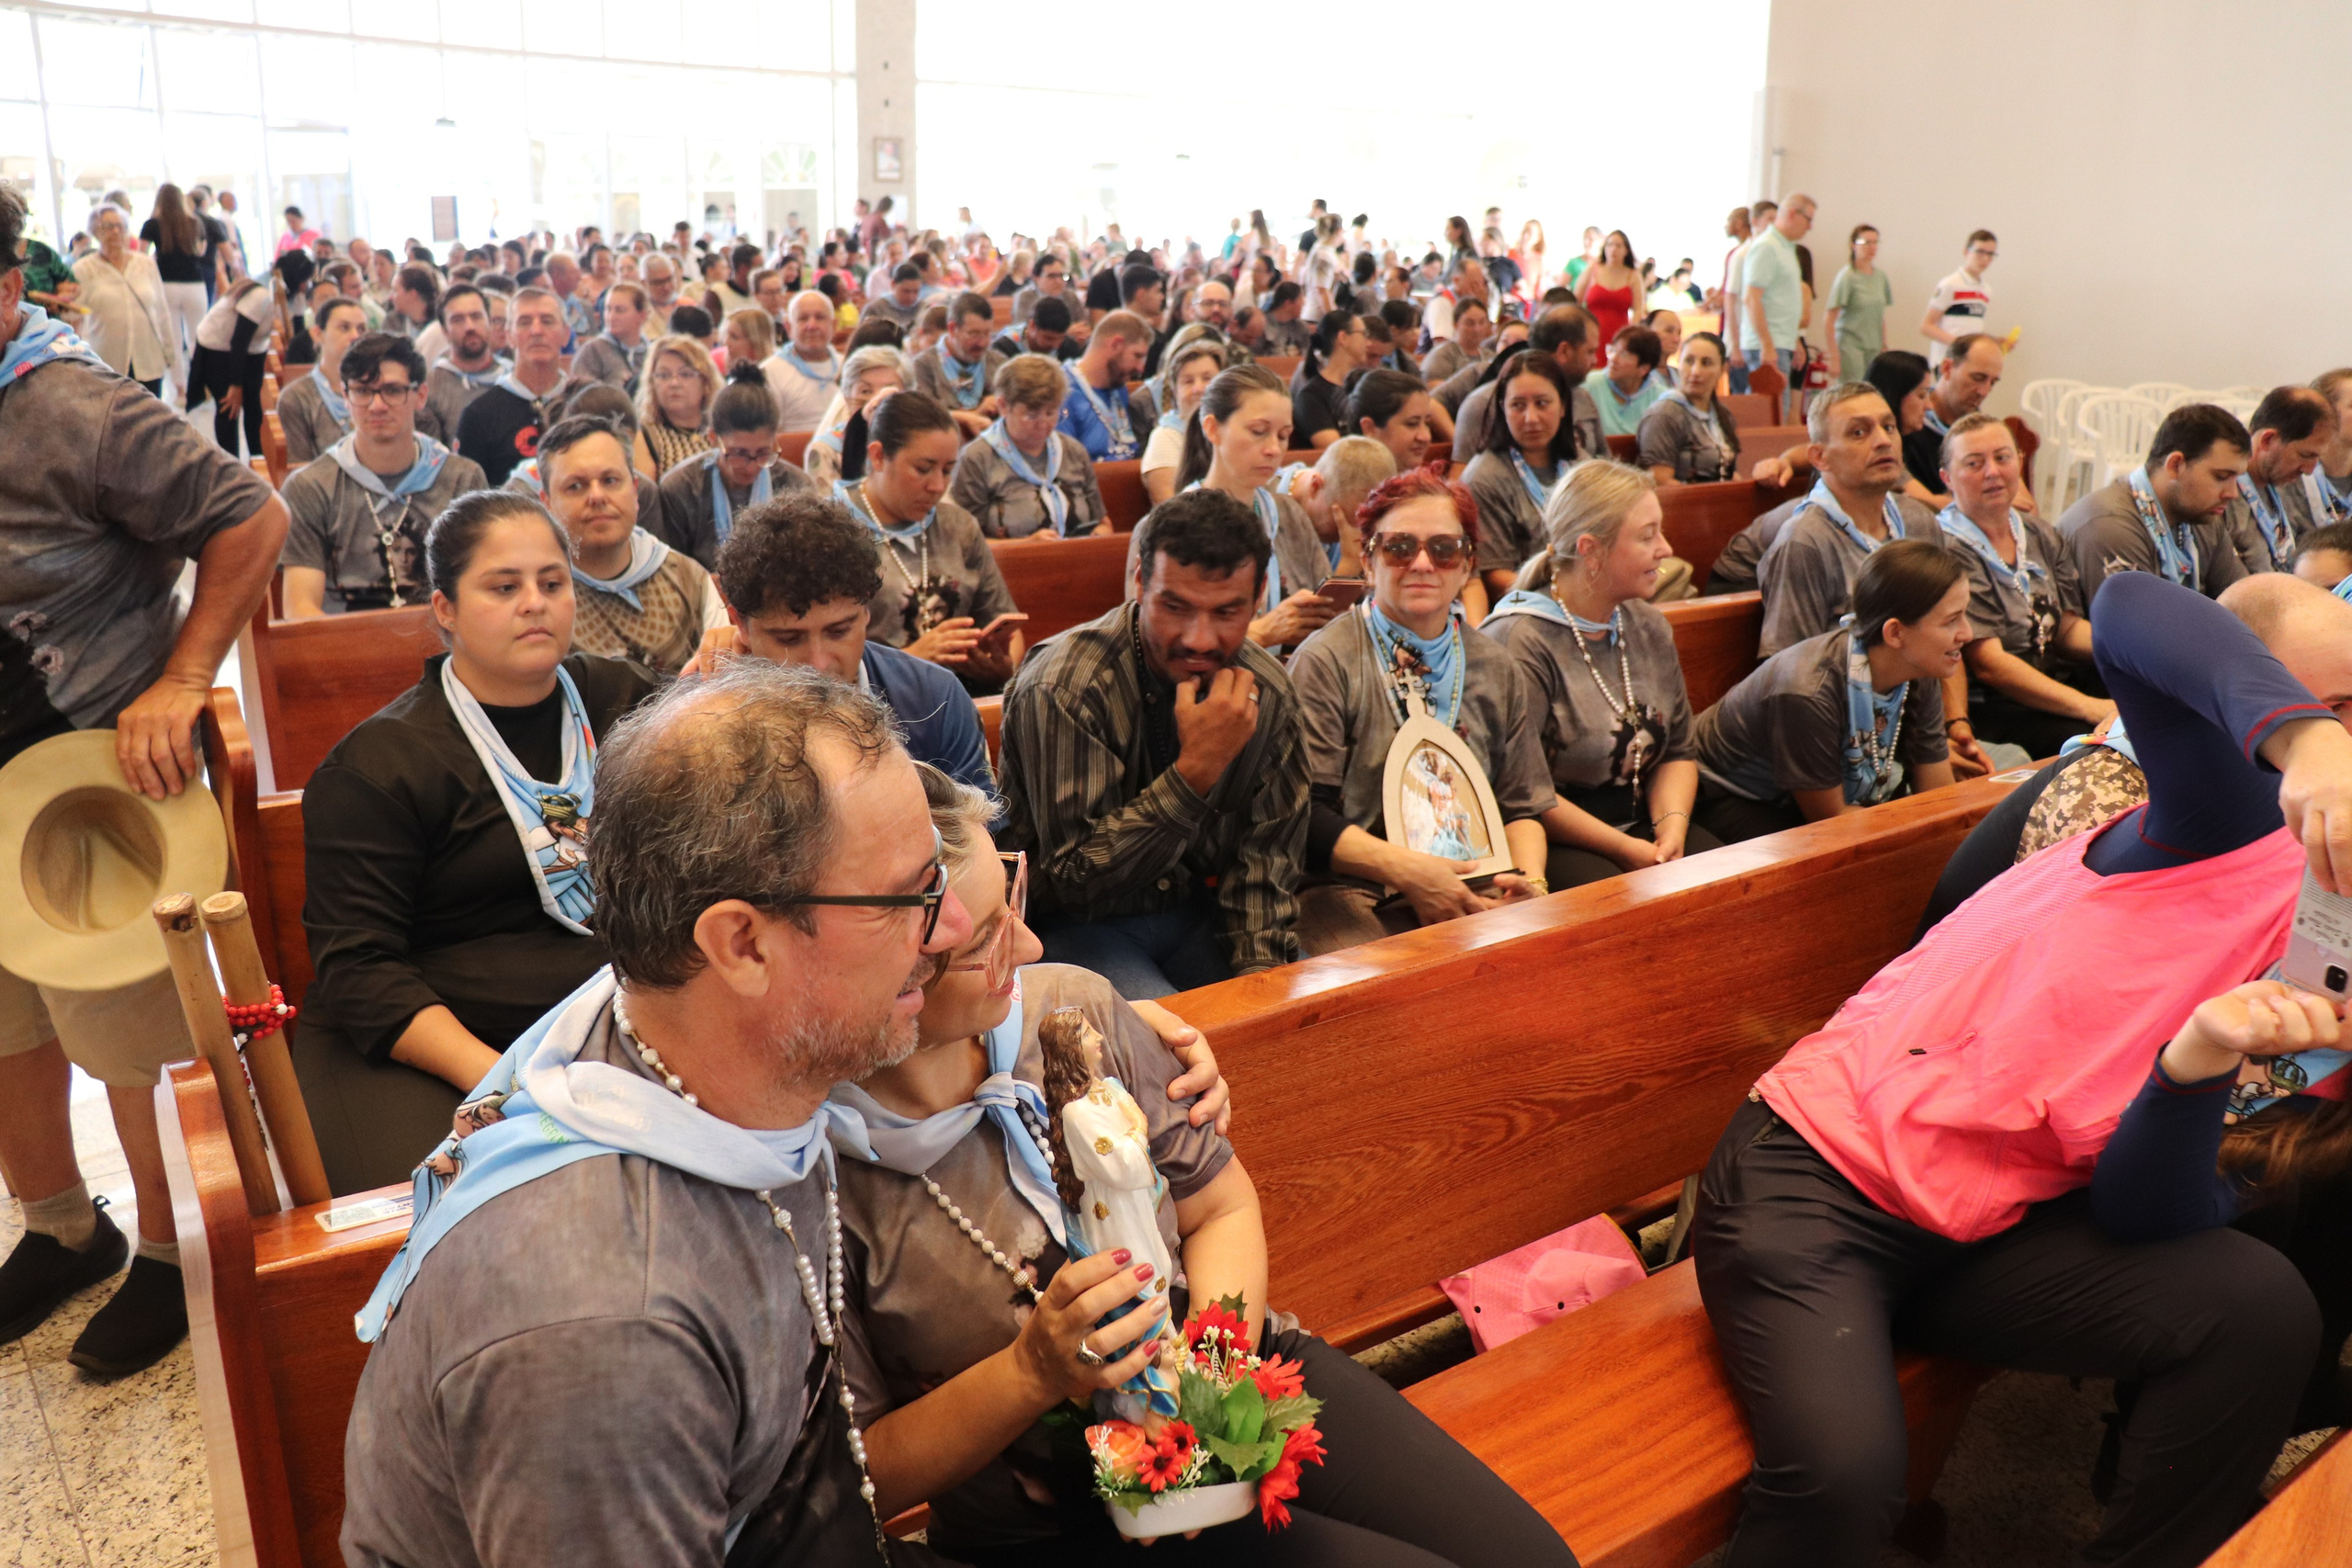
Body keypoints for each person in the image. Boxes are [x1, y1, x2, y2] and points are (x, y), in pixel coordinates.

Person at [1695, 568, 2352, 1568]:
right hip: (1824, 1176)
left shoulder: (2324, 959)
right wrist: (2304, 742)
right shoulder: (2232, 820)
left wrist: (2196, 1061)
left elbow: (2143, 1213)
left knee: (2255, 1307)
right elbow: (2131, 604)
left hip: (1987, 1219)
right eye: (2335, 707)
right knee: (1841, 1485)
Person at [822, 767, 1583, 1568]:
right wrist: (1031, 1373)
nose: (1032, 944)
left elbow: (1219, 1206)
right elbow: (861, 1466)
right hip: (1047, 1510)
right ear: (887, 974)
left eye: (1012, 900)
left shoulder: (1072, 1008)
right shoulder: (820, 1169)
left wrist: (1209, 1392)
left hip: (1228, 1356)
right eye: (983, 939)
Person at [339, 659, 976, 1566]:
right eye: (910, 896)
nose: (948, 928)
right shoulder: (605, 1333)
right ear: (743, 943)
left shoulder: (692, 1025)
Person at [0, 186, 287, 1374]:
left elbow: (249, 515)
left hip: (97, 777)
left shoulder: (76, 408)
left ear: (6, 286)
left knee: (127, 1035)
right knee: (8, 1028)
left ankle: (176, 1251)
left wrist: (181, 680)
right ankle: (62, 1226)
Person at [997, 488, 1308, 999]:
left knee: (1302, 1019)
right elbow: (1075, 879)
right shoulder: (1065, 686)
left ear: (1259, 599)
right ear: (1141, 583)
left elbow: (1265, 867)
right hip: (1071, 926)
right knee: (1172, 1055)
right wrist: (1195, 774)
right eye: (1175, 607)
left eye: (1228, 613)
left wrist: (1263, 990)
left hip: (1195, 916)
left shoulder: (1267, 693)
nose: (1199, 639)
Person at [1287, 465, 1552, 953]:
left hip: (1479, 877)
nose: (1423, 564)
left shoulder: (1497, 664)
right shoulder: (1325, 660)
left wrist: (1529, 886)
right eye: (1400, 547)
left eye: (1444, 549)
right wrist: (1414, 874)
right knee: (1404, 992)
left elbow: (1522, 804)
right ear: (1368, 561)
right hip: (1349, 887)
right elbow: (1305, 817)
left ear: (1468, 563)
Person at [1486, 462, 1721, 887]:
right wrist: (1625, 848)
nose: (1666, 549)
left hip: (1642, 818)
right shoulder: (1520, 639)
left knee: (1728, 882)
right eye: (1647, 536)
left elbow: (1677, 751)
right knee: (1630, 905)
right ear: (1591, 549)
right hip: (1551, 835)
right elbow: (1523, 792)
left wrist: (1671, 830)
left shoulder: (1646, 625)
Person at [695, 494, 995, 797]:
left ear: (866, 610)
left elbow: (979, 839)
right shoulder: (702, 723)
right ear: (741, 625)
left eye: (838, 631)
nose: (819, 663)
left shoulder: (936, 700)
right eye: (789, 639)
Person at [1695, 538, 1962, 842]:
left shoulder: (1918, 667)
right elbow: (1830, 823)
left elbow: (1940, 796)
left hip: (1805, 797)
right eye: (1951, 621)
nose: (1966, 633)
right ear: (1895, 633)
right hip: (1731, 796)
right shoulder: (1808, 691)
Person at [1932, 412, 2109, 758]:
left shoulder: (2039, 532)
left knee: (2149, 696)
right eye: (1973, 463)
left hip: (2051, 680)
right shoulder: (1945, 546)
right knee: (2092, 742)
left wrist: (2130, 649)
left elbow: (2066, 628)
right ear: (1947, 478)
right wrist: (2091, 707)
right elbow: (1989, 664)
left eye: (2002, 458)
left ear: (2019, 461)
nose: (1993, 472)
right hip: (1993, 703)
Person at [280, 333, 487, 617]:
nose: (377, 406)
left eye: (392, 390)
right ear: (346, 396)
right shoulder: (310, 487)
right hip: (344, 645)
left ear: (421, 395)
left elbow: (481, 588)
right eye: (363, 391)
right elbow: (300, 609)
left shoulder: (462, 479)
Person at [835, 389, 1023, 688]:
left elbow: (1005, 625)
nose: (937, 486)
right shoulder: (832, 528)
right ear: (879, 456)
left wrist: (1003, 667)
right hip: (871, 707)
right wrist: (911, 658)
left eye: (948, 470)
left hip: (961, 694)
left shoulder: (959, 526)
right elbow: (821, 659)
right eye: (923, 469)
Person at [1145, 363, 1336, 652]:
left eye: (1283, 436)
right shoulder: (1167, 527)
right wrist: (1262, 632)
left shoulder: (1288, 513)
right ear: (1212, 429)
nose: (1274, 448)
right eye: (1259, 431)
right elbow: (1150, 646)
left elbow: (1323, 610)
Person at [1757, 382, 1948, 659]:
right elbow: (1791, 674)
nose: (1883, 441)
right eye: (1859, 432)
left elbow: (1946, 638)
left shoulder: (1919, 520)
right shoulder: (1804, 541)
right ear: (1820, 457)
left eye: (1889, 427)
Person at [534, 415, 725, 678]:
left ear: (635, 490)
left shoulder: (691, 581)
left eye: (610, 480)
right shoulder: (533, 594)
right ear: (547, 502)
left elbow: (724, 690)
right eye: (575, 486)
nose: (597, 497)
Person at [2058, 402, 2252, 604]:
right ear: (2175, 465)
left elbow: (2244, 605)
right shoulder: (2110, 526)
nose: (2232, 493)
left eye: (2236, 479)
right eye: (2221, 476)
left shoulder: (2204, 516)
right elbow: (2139, 632)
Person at [652, 367, 816, 567]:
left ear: (775, 439)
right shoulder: (680, 488)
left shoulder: (796, 486)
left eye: (763, 453)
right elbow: (675, 570)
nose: (751, 467)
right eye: (739, 454)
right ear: (714, 438)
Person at [1464, 350, 1587, 604]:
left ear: (1563, 405)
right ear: (1503, 408)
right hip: (1528, 604)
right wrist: (1563, 594)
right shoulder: (1484, 477)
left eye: (1542, 403)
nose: (1531, 418)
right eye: (1518, 406)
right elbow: (1492, 575)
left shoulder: (1580, 465)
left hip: (1587, 589)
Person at [949, 354, 1107, 538]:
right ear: (1003, 406)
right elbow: (964, 542)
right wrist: (1026, 546)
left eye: (1051, 412)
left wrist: (1100, 534)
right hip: (1010, 563)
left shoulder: (1073, 450)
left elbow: (1102, 521)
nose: (1043, 423)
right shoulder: (977, 458)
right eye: (1031, 415)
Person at [1448, 302, 1602, 468]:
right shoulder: (1482, 403)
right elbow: (1462, 482)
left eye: (1542, 403)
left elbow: (1603, 463)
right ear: (1564, 351)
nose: (1595, 361)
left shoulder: (1583, 397)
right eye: (1590, 352)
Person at [455, 287, 570, 487]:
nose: (536, 331)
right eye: (524, 322)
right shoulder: (480, 415)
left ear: (565, 334)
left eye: (547, 321)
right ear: (509, 335)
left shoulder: (586, 403)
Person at [2222, 385, 2338, 573]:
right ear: (2267, 440)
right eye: (2306, 455)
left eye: (2317, 458)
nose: (2309, 471)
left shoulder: (2283, 483)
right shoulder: (2222, 496)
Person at [71, 206, 173, 396]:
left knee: (151, 419)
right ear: (95, 230)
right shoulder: (83, 269)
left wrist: (170, 352)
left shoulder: (146, 264)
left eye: (120, 226)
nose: (116, 231)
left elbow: (162, 311)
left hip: (149, 359)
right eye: (108, 226)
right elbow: (74, 315)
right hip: (108, 362)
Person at [184, 271, 278, 457]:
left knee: (253, 406)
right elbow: (239, 342)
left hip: (253, 348)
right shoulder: (260, 297)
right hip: (217, 347)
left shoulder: (280, 293)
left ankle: (258, 462)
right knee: (229, 407)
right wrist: (236, 385)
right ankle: (231, 467)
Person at [1901, 333, 2006, 500]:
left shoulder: (1980, 429)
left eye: (1992, 383)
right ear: (1947, 368)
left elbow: (2027, 504)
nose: (1984, 392)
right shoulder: (1910, 427)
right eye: (1978, 378)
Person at [1637, 332, 1741, 487]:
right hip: (1682, 504)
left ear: (1722, 369)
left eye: (1706, 363)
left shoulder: (1723, 414)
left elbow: (1729, 472)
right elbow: (1659, 481)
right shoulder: (1664, 414)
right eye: (1689, 361)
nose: (1695, 371)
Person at [1140, 331, 1228, 506]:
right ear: (1174, 391)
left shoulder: (1232, 428)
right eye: (1188, 381)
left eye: (1207, 378)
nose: (1198, 388)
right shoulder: (1165, 437)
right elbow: (1170, 509)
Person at [275, 295, 367, 464]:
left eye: (361, 329)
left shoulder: (377, 390)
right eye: (344, 328)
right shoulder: (296, 398)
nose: (355, 336)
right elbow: (300, 472)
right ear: (318, 334)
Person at [806, 343, 910, 486]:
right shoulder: (825, 451)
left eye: (887, 390)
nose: (876, 400)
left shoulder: (921, 442)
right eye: (866, 391)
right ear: (848, 399)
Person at [140, 185, 209, 395]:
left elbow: (141, 255)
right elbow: (200, 251)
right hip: (195, 284)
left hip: (166, 285)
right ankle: (202, 386)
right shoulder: (194, 222)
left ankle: (180, 389)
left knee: (174, 340)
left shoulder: (152, 225)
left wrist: (156, 258)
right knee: (198, 337)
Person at [1739, 194, 1815, 381]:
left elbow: (1784, 300)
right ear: (1791, 214)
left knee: (1781, 408)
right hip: (1766, 344)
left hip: (1780, 341)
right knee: (1768, 409)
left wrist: (1794, 339)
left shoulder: (1786, 248)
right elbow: (1751, 298)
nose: (1810, 226)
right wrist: (1766, 344)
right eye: (1808, 219)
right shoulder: (1767, 246)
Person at [629, 331, 723, 480]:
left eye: (685, 374)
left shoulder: (722, 431)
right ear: (652, 384)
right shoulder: (646, 437)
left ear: (705, 382)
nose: (674, 383)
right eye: (664, 375)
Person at [1059, 310, 1151, 461]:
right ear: (1116, 344)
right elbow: (1067, 469)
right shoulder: (1062, 393)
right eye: (1137, 356)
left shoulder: (1118, 388)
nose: (1141, 368)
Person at [912, 291, 1005, 438]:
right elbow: (923, 417)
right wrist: (973, 414)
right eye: (973, 334)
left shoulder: (998, 362)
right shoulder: (924, 364)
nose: (982, 343)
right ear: (952, 329)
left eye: (987, 334)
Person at [422, 284, 506, 443]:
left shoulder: (512, 377)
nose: (470, 327)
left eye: (476, 316)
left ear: (489, 322)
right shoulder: (429, 388)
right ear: (445, 331)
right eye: (458, 320)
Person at [1287, 310, 1371, 450]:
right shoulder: (1311, 396)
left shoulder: (1365, 386)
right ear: (1343, 338)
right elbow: (1336, 452)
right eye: (1364, 334)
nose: (1368, 343)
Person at [1823, 224, 1893, 384]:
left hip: (1873, 346)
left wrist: (1884, 344)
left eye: (1875, 242)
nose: (1872, 247)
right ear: (1853, 245)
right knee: (1853, 393)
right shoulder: (1847, 276)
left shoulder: (1880, 277)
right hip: (1850, 346)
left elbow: (1880, 315)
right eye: (1866, 242)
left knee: (1872, 391)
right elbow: (1829, 318)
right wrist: (1834, 356)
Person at [766, 289, 843, 431]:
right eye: (803, 318)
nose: (812, 326)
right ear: (788, 327)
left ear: (834, 325)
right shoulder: (769, 372)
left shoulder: (847, 366)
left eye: (820, 317)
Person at [1920, 228, 1997, 367]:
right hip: (1947, 359)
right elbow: (1926, 326)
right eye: (1980, 252)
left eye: (1990, 254)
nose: (1985, 258)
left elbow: (1969, 326)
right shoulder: (1951, 284)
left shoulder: (1986, 290)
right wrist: (1960, 344)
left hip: (1969, 361)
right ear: (1966, 252)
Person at [1345, 367, 1438, 477]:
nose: (1426, 436)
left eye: (1427, 423)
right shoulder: (1349, 488)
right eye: (1412, 424)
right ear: (1370, 428)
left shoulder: (1424, 480)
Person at [569, 281, 650, 397]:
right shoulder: (593, 351)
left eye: (620, 310)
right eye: (608, 309)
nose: (611, 317)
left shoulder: (651, 351)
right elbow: (582, 399)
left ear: (642, 315)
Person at [1590, 325, 1666, 440]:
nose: (1613, 359)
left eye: (1624, 354)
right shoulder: (1589, 385)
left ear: (1643, 369)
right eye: (1613, 350)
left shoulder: (1661, 400)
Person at [1575, 230, 1642, 352]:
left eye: (1618, 245)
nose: (1613, 249)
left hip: (1620, 337)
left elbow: (1639, 309)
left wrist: (1631, 336)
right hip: (1591, 334)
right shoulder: (1593, 270)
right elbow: (1576, 302)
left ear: (1626, 250)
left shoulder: (1633, 275)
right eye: (1610, 245)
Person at [1419, 295, 1491, 387]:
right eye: (1470, 323)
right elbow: (1434, 388)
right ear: (1455, 324)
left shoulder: (1490, 356)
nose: (1477, 329)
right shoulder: (1442, 355)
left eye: (1482, 322)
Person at [1012, 253, 1080, 328]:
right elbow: (1021, 329)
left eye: (1061, 276)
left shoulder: (1070, 297)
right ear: (1036, 278)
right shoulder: (1025, 298)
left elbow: (1084, 326)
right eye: (1052, 276)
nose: (1058, 281)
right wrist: (1065, 333)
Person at [864, 261, 926, 334]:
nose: (911, 297)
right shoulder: (876, 309)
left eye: (916, 291)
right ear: (893, 284)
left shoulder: (924, 308)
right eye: (906, 291)